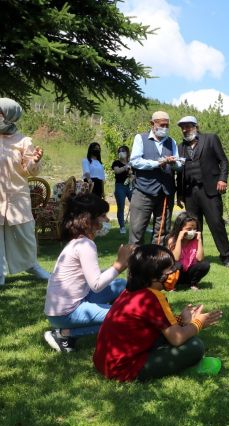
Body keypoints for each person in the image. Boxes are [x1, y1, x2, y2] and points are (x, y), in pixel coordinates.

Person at [93, 244, 223, 381]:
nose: (174, 272)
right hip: (124, 369)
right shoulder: (152, 297)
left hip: (104, 364)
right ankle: (189, 366)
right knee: (195, 346)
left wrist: (181, 320)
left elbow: (156, 324)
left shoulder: (130, 291)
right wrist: (198, 323)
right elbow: (177, 338)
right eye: (170, 269)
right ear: (153, 275)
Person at [43, 194, 132, 353]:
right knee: (124, 316)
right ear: (87, 220)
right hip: (65, 314)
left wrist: (120, 265)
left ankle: (109, 318)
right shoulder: (85, 245)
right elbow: (96, 285)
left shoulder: (79, 241)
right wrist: (119, 265)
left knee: (120, 284)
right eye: (102, 216)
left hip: (66, 307)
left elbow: (92, 276)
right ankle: (64, 334)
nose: (107, 220)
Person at [0, 97, 52, 286]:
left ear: (9, 115)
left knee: (25, 234)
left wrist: (34, 161)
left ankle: (32, 265)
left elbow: (30, 171)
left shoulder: (23, 141)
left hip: (17, 196)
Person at [176, 116, 229, 266]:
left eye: (188, 126)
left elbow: (223, 161)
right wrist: (179, 194)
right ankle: (195, 257)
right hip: (189, 193)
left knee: (216, 223)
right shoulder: (180, 148)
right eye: (182, 127)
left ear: (196, 126)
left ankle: (226, 256)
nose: (185, 130)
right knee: (193, 226)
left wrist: (223, 179)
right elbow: (179, 173)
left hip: (210, 190)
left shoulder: (210, 139)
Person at [128, 111, 182, 246]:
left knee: (162, 233)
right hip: (143, 192)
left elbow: (179, 165)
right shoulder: (140, 138)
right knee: (137, 232)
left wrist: (173, 163)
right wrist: (157, 163)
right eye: (162, 125)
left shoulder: (172, 142)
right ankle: (135, 259)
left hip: (165, 193)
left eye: (167, 125)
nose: (165, 128)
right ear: (152, 124)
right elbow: (135, 161)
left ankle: (157, 259)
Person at [166, 212, 210, 290]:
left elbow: (200, 259)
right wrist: (179, 239)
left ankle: (193, 283)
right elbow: (176, 258)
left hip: (189, 273)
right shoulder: (172, 240)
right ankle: (172, 284)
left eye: (194, 229)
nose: (192, 231)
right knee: (177, 265)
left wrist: (199, 240)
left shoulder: (195, 240)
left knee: (205, 264)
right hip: (176, 273)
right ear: (180, 228)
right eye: (189, 229)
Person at [112, 145, 133, 234]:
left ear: (127, 153)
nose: (121, 153)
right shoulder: (116, 162)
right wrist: (125, 167)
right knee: (121, 206)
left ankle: (136, 225)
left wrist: (132, 176)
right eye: (119, 151)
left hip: (130, 186)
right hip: (120, 186)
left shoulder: (131, 163)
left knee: (136, 205)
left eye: (123, 151)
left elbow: (135, 174)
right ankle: (122, 227)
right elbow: (117, 171)